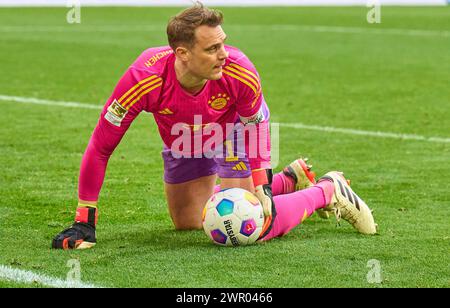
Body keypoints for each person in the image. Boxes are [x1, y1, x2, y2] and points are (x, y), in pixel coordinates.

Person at [52, 4, 377, 250]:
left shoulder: (240, 71)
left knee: (250, 224)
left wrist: (261, 182)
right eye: (211, 49)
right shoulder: (144, 79)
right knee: (189, 222)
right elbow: (101, 146)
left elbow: (256, 127)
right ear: (182, 53)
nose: (223, 54)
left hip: (236, 129)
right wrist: (85, 220)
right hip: (185, 138)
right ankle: (288, 180)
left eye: (223, 43)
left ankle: (327, 190)